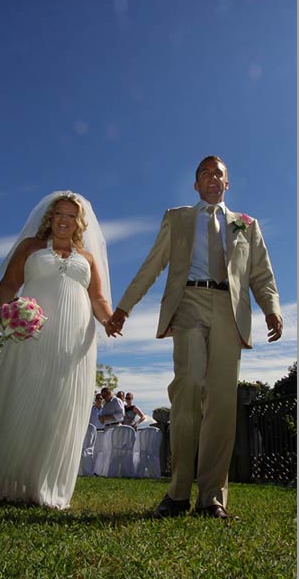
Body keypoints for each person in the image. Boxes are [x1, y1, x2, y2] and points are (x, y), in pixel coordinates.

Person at [106, 155, 282, 519]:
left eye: (218, 173)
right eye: (205, 173)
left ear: (227, 183)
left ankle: (211, 498)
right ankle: (177, 493)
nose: (212, 178)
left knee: (221, 402)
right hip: (187, 303)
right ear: (196, 185)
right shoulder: (178, 218)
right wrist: (124, 307)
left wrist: (271, 309)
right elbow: (152, 265)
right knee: (188, 385)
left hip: (229, 310)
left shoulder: (246, 225)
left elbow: (261, 275)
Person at [0, 190, 116, 508]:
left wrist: (110, 320)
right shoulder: (30, 247)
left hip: (75, 341)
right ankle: (7, 479)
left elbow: (98, 299)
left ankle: (44, 484)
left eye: (71, 215)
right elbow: (9, 284)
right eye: (59, 214)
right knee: (23, 399)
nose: (64, 220)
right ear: (49, 218)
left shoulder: (87, 258)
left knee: (59, 408)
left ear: (81, 223)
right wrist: (8, 312)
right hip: (31, 335)